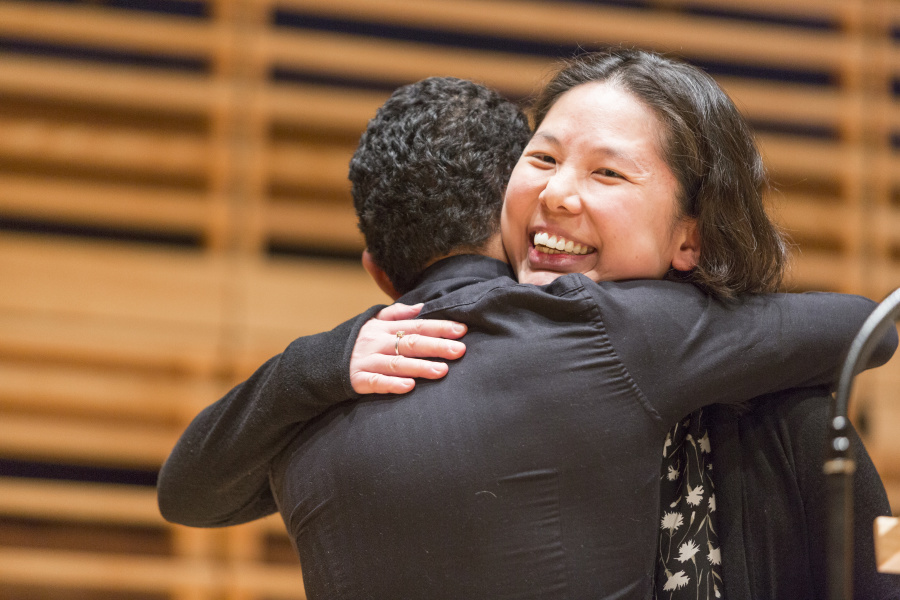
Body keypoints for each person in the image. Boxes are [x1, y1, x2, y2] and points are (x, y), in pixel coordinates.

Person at [158, 71, 897, 598]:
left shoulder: (783, 409)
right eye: (540, 160)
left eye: (607, 173)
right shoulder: (515, 343)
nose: (555, 191)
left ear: (691, 239)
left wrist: (311, 363)